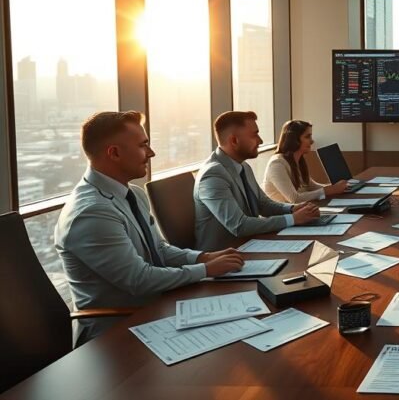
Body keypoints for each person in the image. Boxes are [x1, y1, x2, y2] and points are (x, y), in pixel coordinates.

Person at [54, 111, 244, 345]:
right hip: (115, 336)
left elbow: (159, 249)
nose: (151, 152)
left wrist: (203, 257)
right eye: (143, 145)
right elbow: (139, 279)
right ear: (114, 153)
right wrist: (205, 270)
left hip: (155, 312)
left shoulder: (133, 194)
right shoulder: (91, 213)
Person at [194, 111, 321, 251]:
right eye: (254, 135)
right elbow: (239, 226)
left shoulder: (243, 166)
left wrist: (292, 209)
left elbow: (263, 204)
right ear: (234, 140)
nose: (260, 141)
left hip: (252, 244)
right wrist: (293, 219)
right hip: (225, 255)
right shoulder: (212, 175)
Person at [262, 120, 349, 203]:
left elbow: (312, 187)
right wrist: (330, 190)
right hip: (282, 213)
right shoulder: (277, 164)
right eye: (307, 137)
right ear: (294, 140)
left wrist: (338, 187)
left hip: (299, 210)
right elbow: (294, 199)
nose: (312, 141)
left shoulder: (298, 160)